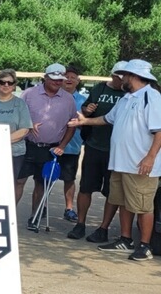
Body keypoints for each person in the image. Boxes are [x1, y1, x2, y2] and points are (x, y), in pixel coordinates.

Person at [69, 59, 161, 261]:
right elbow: (106, 119)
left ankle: (145, 246)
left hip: (140, 164)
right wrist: (85, 121)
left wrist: (150, 157)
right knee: (122, 201)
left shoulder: (152, 98)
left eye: (124, 75)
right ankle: (125, 240)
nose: (121, 78)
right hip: (120, 162)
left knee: (143, 205)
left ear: (134, 76)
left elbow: (159, 130)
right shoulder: (127, 98)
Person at [68, 62, 126, 241]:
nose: (122, 81)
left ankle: (103, 228)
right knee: (86, 187)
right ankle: (80, 224)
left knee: (112, 191)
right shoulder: (100, 89)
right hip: (94, 145)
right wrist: (86, 110)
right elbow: (85, 110)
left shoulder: (129, 94)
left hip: (116, 150)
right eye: (119, 77)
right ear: (113, 75)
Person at [18, 63, 77, 232]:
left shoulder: (68, 99)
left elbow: (71, 125)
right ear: (45, 77)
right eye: (54, 79)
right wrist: (28, 125)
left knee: (41, 183)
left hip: (50, 149)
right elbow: (18, 115)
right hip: (27, 144)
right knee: (18, 181)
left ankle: (35, 217)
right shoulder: (29, 94)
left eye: (60, 80)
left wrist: (63, 145)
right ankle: (7, 216)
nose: (57, 82)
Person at [60, 66, 87, 223]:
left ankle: (69, 208)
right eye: (66, 76)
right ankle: (41, 207)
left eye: (72, 77)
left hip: (72, 146)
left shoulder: (83, 101)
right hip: (52, 145)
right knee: (44, 178)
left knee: (69, 179)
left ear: (78, 81)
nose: (69, 79)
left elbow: (87, 123)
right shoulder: (54, 96)